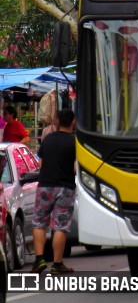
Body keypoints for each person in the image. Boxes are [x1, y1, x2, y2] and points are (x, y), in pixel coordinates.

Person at [31, 108, 76, 275]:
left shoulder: (47, 139)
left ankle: (39, 259)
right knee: (60, 226)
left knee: (39, 222)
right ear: (73, 122)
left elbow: (40, 164)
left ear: (57, 121)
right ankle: (57, 264)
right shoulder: (74, 142)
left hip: (44, 186)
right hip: (65, 188)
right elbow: (75, 167)